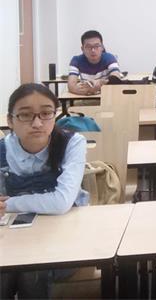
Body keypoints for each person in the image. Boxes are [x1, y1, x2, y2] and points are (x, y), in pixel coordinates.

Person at [1, 83, 88, 298]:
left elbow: (61, 202)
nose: (37, 123)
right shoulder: (3, 150)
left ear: (54, 116)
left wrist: (8, 203)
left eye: (46, 113)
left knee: (31, 269)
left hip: (66, 235)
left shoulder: (72, 143)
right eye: (25, 115)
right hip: (13, 240)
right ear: (10, 120)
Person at [67, 30, 123, 95]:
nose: (93, 50)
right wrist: (86, 90)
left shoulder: (109, 58)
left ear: (102, 47)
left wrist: (99, 83)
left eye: (96, 46)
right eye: (88, 47)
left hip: (106, 96)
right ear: (82, 49)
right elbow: (71, 85)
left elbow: (116, 77)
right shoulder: (76, 60)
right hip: (86, 96)